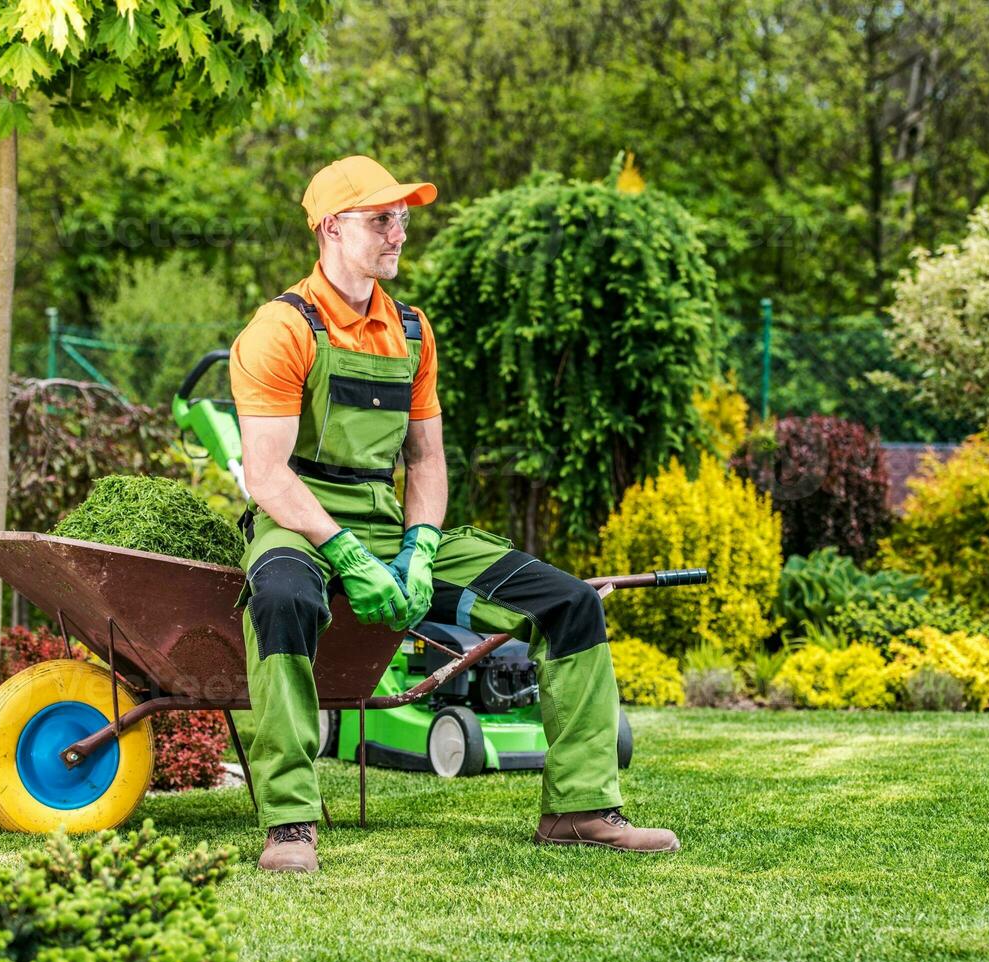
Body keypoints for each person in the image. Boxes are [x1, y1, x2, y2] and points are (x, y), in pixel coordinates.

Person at [229, 155, 681, 872]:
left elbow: (427, 461)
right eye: (382, 218)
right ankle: (290, 824)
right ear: (330, 228)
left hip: (388, 524)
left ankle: (581, 809)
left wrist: (419, 549)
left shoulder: (410, 330)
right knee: (281, 598)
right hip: (298, 527)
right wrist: (346, 554)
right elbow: (266, 474)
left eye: (403, 217)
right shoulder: (280, 330)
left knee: (567, 604)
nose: (398, 232)